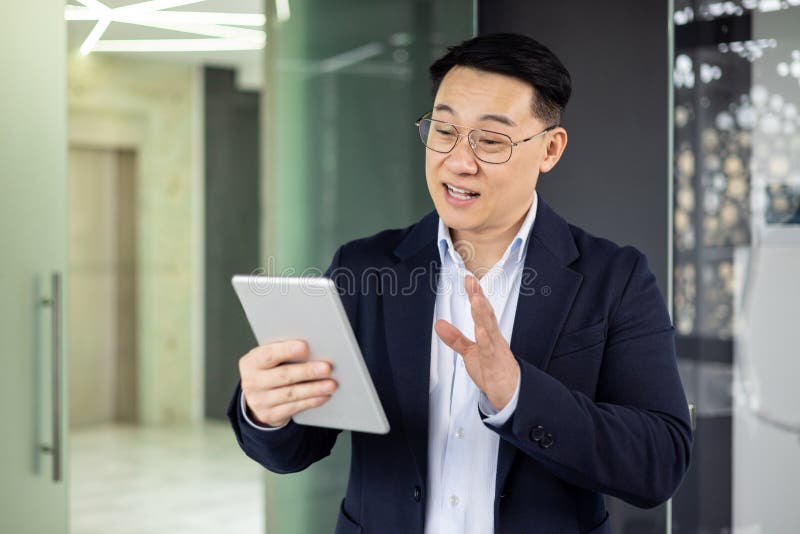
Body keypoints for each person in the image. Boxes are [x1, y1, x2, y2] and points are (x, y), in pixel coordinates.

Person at [228, 33, 692, 534]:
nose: (458, 160)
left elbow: (659, 463)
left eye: (490, 140)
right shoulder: (366, 268)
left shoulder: (614, 278)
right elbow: (298, 449)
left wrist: (518, 394)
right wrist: (266, 410)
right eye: (444, 130)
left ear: (550, 149)